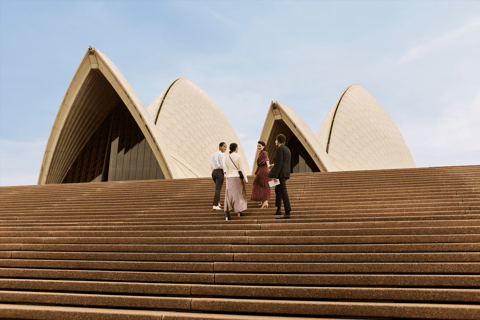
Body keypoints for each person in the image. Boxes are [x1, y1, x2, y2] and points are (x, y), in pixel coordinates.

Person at [268, 134, 292, 219]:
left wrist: (275, 175)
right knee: (277, 190)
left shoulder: (279, 149)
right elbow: (283, 161)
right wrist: (273, 165)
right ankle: (278, 209)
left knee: (283, 191)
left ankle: (287, 212)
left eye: (275, 140)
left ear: (277, 141)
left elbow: (279, 164)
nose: (275, 142)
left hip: (280, 174)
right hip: (285, 173)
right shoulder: (287, 149)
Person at [224, 143, 248, 220]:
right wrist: (246, 178)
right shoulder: (238, 156)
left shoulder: (226, 158)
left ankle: (227, 213)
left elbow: (226, 169)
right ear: (236, 148)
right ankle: (239, 211)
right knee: (239, 194)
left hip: (229, 178)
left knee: (229, 195)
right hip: (237, 177)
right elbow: (242, 168)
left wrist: (227, 177)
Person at [251, 141, 271, 209]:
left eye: (260, 146)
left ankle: (265, 202)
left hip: (263, 170)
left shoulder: (264, 153)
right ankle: (263, 201)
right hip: (261, 170)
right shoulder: (261, 153)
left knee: (264, 185)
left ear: (263, 146)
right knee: (261, 184)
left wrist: (268, 167)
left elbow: (267, 160)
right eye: (258, 146)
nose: (258, 147)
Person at [211, 142, 227, 210]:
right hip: (219, 171)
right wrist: (225, 171)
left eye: (226, 147)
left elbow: (212, 164)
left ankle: (218, 203)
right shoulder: (222, 154)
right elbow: (223, 164)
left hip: (214, 172)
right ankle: (215, 205)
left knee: (218, 188)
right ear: (220, 147)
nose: (225, 148)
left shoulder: (214, 154)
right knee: (218, 189)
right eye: (224, 147)